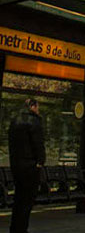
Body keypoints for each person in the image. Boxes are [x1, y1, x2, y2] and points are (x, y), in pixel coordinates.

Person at [8, 98, 45, 233]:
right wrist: (40, 162)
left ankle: (15, 227)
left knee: (19, 198)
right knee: (28, 199)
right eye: (37, 107)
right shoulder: (34, 121)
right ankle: (22, 228)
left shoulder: (15, 121)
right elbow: (38, 144)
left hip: (17, 165)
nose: (38, 110)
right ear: (32, 106)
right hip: (30, 166)